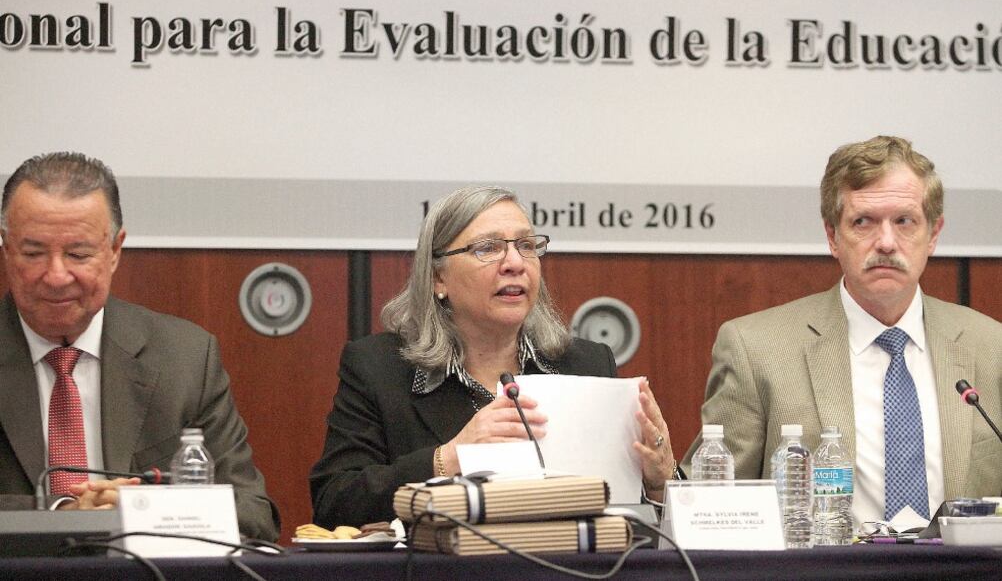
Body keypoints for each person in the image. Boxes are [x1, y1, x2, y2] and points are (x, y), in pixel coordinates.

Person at [310, 185, 677, 527]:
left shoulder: (586, 365)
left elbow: (647, 523)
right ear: (438, 279)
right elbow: (334, 503)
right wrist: (448, 459)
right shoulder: (379, 369)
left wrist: (660, 481)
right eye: (487, 248)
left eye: (527, 245)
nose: (515, 262)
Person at [683, 136, 1002, 529]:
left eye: (904, 221)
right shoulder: (756, 349)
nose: (886, 243)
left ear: (933, 235)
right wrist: (660, 472)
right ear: (833, 236)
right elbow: (708, 508)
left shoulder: (991, 348)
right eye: (863, 222)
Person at [0, 152, 280, 541]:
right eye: (33, 253)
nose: (57, 275)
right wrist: (61, 512)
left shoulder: (184, 358)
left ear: (115, 250)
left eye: (78, 254)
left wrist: (142, 508)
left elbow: (253, 515)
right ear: (6, 248)